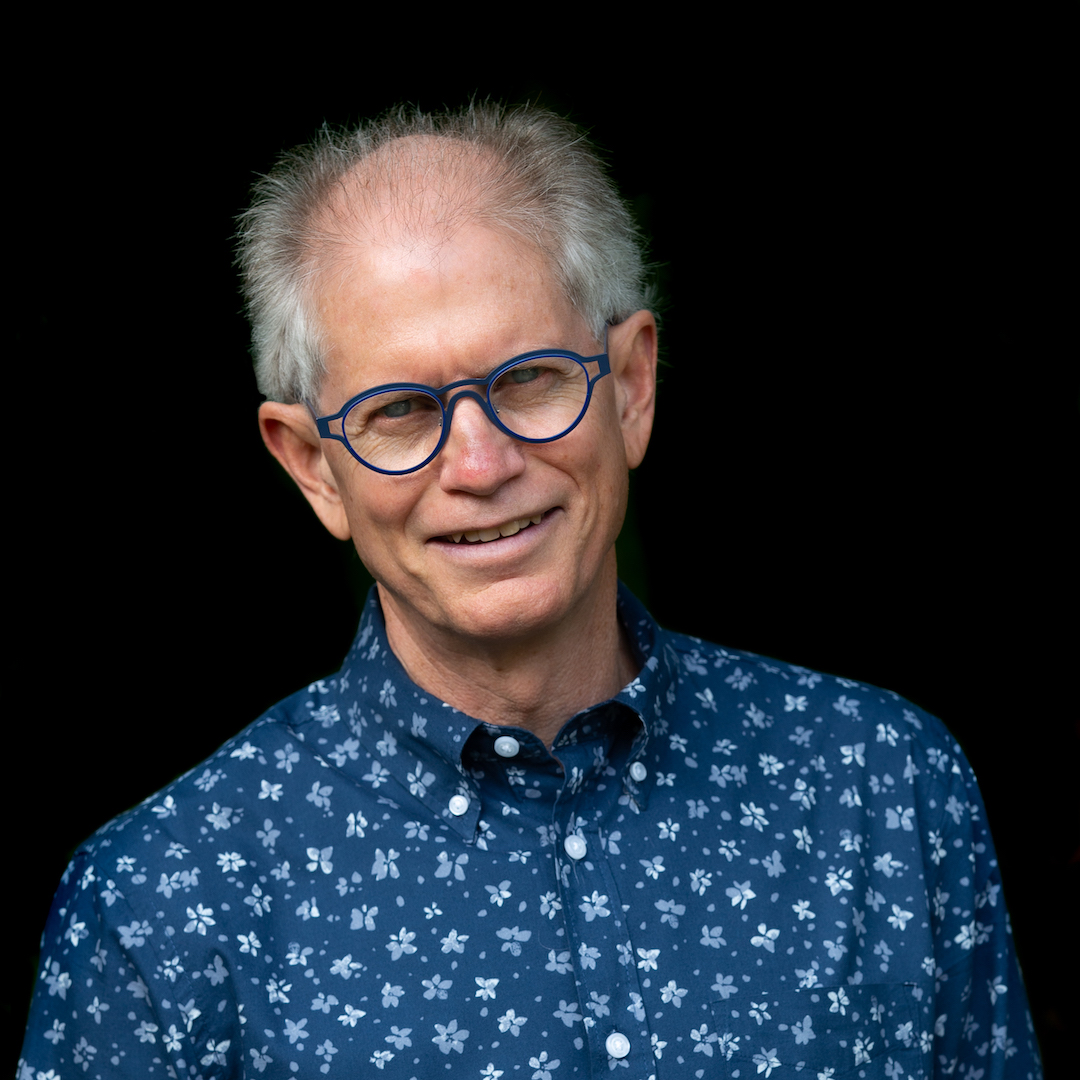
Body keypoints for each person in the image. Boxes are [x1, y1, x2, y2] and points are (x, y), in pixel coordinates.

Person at [20, 103, 1041, 1079]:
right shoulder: (161, 903)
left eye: (530, 379)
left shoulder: (882, 789)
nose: (479, 463)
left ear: (632, 386)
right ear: (313, 468)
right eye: (400, 411)